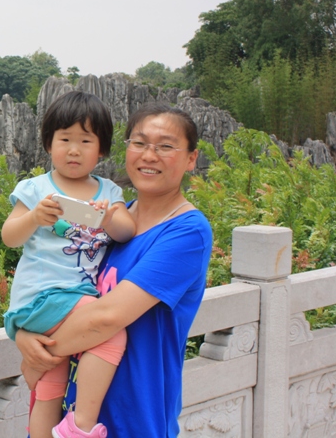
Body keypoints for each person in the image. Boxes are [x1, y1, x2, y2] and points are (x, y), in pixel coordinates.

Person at [15, 102, 213, 437]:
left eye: (165, 146)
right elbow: (61, 282)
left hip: (131, 417)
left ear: (191, 159)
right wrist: (24, 333)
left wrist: (40, 353)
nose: (149, 155)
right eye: (139, 143)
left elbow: (106, 317)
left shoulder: (186, 232)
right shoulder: (111, 219)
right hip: (68, 409)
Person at [2, 91, 136, 438]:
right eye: (64, 139)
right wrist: (33, 217)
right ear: (49, 144)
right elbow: (9, 237)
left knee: (50, 385)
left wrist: (108, 217)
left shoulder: (108, 192)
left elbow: (125, 232)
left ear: (102, 149)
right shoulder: (35, 189)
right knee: (109, 335)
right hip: (44, 297)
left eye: (85, 140)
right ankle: (80, 429)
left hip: (68, 303)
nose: (73, 149)